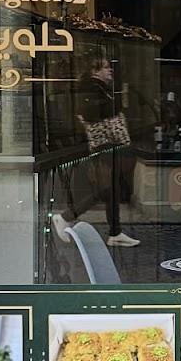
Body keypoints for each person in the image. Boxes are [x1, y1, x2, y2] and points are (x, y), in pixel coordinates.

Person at [51, 55, 141, 249]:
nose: (110, 71)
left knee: (111, 190)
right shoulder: (90, 88)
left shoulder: (100, 89)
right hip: (105, 144)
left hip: (110, 144)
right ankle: (66, 216)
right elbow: (94, 113)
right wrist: (115, 104)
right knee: (105, 189)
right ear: (95, 71)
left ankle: (115, 233)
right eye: (106, 67)